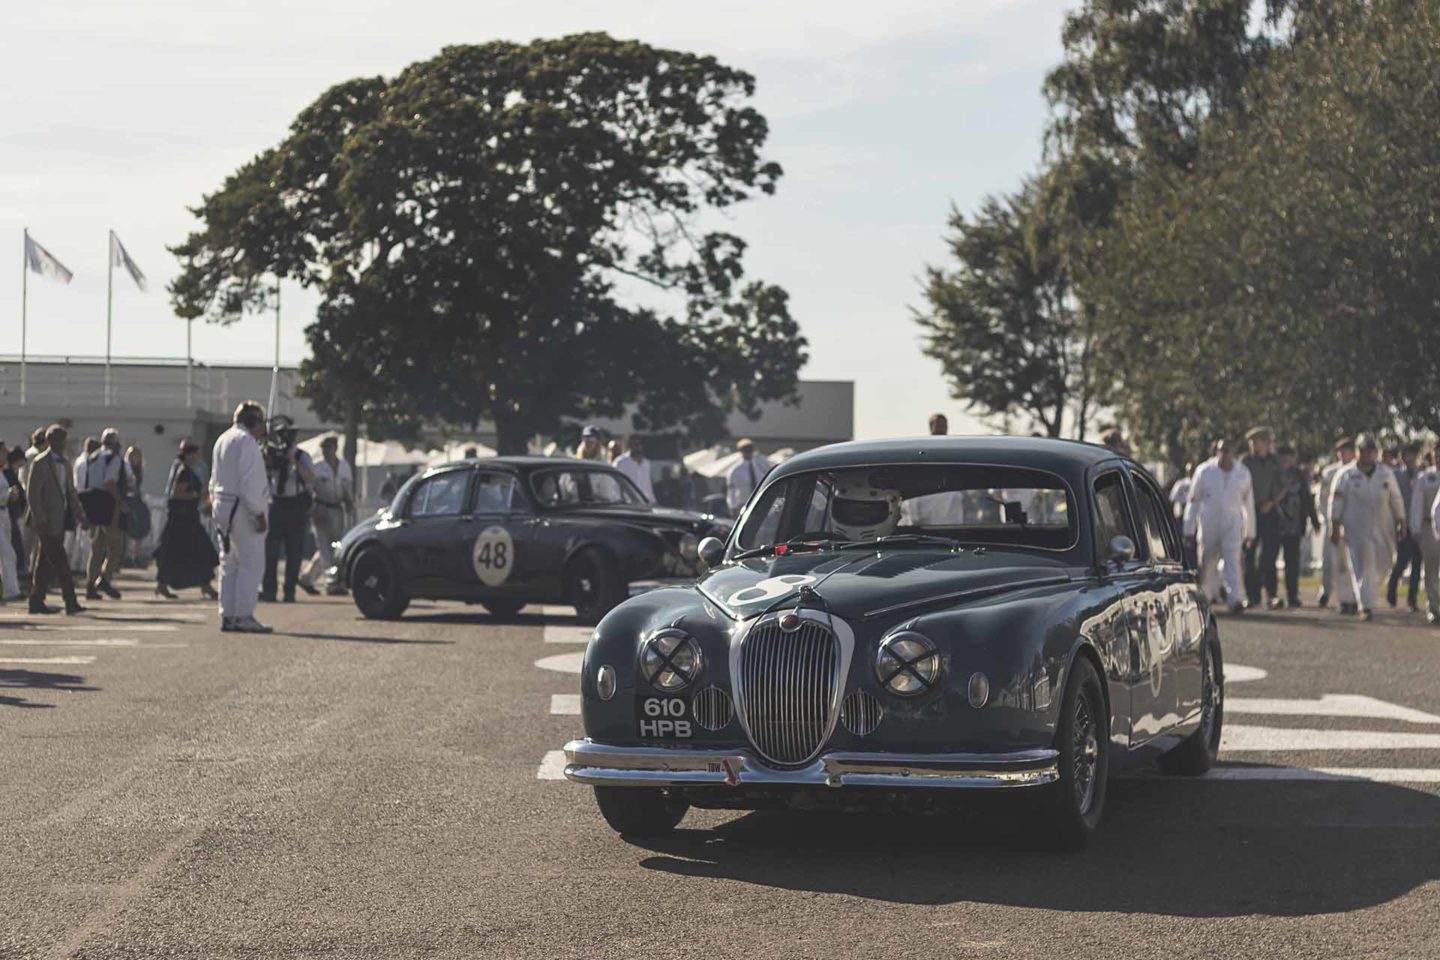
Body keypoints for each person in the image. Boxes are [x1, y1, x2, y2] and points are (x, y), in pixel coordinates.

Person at [1330, 434, 1406, 621]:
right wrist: (1335, 526)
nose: (1368, 454)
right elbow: (1336, 503)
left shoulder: (1385, 473)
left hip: (1383, 528)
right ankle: (1365, 606)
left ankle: (1366, 594)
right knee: (1361, 566)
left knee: (1385, 562)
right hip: (1356, 529)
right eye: (1364, 451)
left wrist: (1401, 520)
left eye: (1372, 451)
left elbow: (1396, 498)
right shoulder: (1346, 475)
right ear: (1358, 452)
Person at [212, 402, 272, 633]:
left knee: (228, 562)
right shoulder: (246, 442)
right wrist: (258, 512)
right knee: (251, 562)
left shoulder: (222, 439)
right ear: (253, 422)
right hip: (241, 508)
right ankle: (243, 614)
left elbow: (214, 478)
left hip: (223, 505)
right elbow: (249, 482)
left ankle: (228, 614)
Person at [1184, 438, 1255, 614]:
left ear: (1234, 452)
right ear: (1216, 451)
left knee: (1232, 559)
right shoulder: (1204, 471)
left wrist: (1250, 531)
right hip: (1209, 522)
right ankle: (1206, 597)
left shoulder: (1243, 473)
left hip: (1233, 522)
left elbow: (1249, 504)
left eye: (1228, 450)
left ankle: (1235, 599)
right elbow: (1193, 501)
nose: (1225, 454)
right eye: (1221, 450)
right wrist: (1188, 529)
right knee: (1207, 560)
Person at [24, 424, 88, 615]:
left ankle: (36, 600)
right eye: (60, 439)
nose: (63, 443)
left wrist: (80, 515)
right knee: (61, 561)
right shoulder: (40, 462)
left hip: (59, 521)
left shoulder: (66, 463)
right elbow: (32, 494)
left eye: (64, 440)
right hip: (45, 522)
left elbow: (70, 492)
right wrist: (41, 519)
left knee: (45, 562)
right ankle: (70, 600)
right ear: (50, 440)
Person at [154, 439, 219, 600]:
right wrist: (198, 495)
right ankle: (163, 585)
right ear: (189, 455)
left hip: (187, 518)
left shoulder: (186, 470)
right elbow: (178, 493)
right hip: (182, 520)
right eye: (195, 454)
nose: (197, 457)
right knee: (188, 552)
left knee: (195, 553)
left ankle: (205, 585)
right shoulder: (183, 471)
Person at [261, 420, 316, 603]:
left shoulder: (301, 456)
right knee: (271, 551)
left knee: (295, 551)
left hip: (295, 506)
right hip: (277, 505)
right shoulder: (271, 455)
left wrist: (293, 460)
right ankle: (269, 589)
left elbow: (310, 477)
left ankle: (289, 591)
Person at [78, 428, 135, 600]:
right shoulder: (114, 458)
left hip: (92, 502)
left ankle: (90, 585)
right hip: (108, 504)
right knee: (116, 547)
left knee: (96, 548)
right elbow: (109, 483)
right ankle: (104, 578)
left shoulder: (92, 456)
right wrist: (121, 503)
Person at [301, 434, 354, 596]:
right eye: (323, 449)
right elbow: (309, 490)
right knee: (324, 547)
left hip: (338, 509)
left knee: (335, 548)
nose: (325, 452)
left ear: (336, 449)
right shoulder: (317, 467)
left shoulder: (344, 466)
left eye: (329, 448)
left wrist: (350, 505)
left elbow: (347, 488)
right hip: (321, 509)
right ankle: (331, 583)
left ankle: (306, 578)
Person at [1239, 427, 1284, 609]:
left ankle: (1272, 594)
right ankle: (1251, 595)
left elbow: (1283, 487)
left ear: (1265, 442)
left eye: (1256, 441)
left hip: (1269, 510)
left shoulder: (1275, 462)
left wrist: (1272, 502)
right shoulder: (1245, 461)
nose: (1253, 444)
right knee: (1249, 554)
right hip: (1250, 511)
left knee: (1269, 555)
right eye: (1251, 442)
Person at [1274, 444, 1320, 608]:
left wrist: (1314, 522)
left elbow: (1307, 499)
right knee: (1268, 560)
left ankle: (1292, 596)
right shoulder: (1273, 473)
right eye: (1283, 456)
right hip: (1274, 525)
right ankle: (1271, 595)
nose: (1286, 460)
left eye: (1289, 456)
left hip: (1294, 526)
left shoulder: (1298, 475)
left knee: (1292, 563)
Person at [1318, 437, 1357, 609]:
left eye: (1347, 450)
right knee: (1328, 560)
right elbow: (1322, 498)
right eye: (1341, 450)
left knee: (1348, 563)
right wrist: (1329, 518)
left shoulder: (1357, 471)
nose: (1344, 453)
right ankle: (1325, 591)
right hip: (1332, 521)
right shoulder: (1329, 472)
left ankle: (1350, 598)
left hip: (1351, 524)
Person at [1386, 442, 1422, 611]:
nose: (1411, 458)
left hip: (1419, 525)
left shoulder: (1422, 475)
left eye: (1413, 455)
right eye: (1408, 455)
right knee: (1402, 560)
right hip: (1403, 523)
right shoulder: (1395, 475)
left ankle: (1412, 600)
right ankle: (1392, 587)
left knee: (1417, 563)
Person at [1410, 450, 1440, 625]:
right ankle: (1433, 607)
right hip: (1430, 528)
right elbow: (1417, 503)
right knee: (1431, 569)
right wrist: (1415, 527)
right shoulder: (1426, 478)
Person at [4, 446, 29, 592]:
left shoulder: (9, 472)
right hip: (9, 513)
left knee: (14, 547)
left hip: (12, 514)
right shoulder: (7, 473)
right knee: (13, 547)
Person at [725, 439, 771, 514]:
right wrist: (732, 507)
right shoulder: (735, 470)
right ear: (741, 451)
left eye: (750, 450)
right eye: (745, 450)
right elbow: (731, 490)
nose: (748, 453)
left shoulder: (761, 466)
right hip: (743, 504)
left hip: (760, 502)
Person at [0, 442, 21, 602]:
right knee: (8, 554)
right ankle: (11, 590)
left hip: (4, 513)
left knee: (7, 552)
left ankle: (9, 589)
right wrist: (8, 494)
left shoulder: (3, 471)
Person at [613, 436, 655, 502]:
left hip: (644, 503)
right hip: (627, 503)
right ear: (629, 446)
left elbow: (648, 485)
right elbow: (615, 484)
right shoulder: (621, 462)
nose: (637, 447)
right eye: (635, 444)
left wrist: (653, 501)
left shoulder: (646, 464)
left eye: (639, 444)